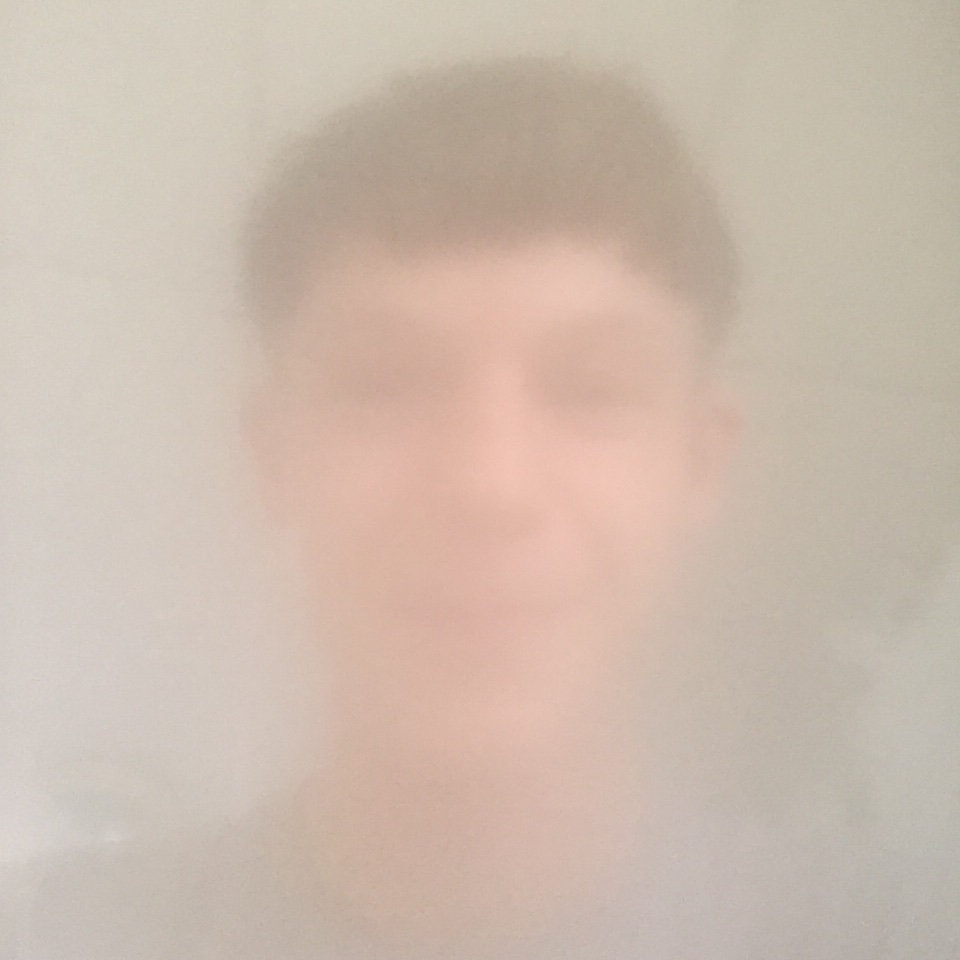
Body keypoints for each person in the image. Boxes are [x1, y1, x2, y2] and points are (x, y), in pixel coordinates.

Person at [12, 54, 912, 960]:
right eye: (383, 383)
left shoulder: (866, 939)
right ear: (275, 454)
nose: (488, 482)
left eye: (591, 389)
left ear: (699, 465)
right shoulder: (64, 936)